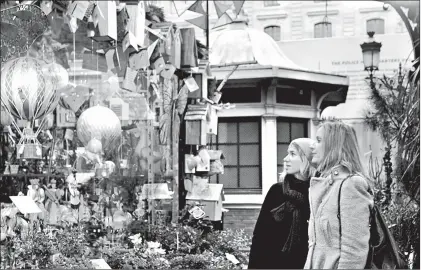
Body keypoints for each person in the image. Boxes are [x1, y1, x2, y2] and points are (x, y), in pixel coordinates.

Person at [304, 120, 373, 269]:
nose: (312, 145)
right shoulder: (325, 184)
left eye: (319, 140)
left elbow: (354, 251)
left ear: (334, 146)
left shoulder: (351, 184)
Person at [248, 138, 316, 269]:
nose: (285, 159)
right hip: (272, 263)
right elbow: (260, 236)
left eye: (293, 154)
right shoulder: (277, 191)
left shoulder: (317, 192)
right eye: (287, 153)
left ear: (307, 159)